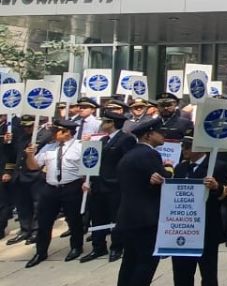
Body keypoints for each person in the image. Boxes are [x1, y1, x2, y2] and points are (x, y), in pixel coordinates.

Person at [114, 117, 171, 286]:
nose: (163, 135)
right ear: (148, 134)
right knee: (145, 263)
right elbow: (165, 180)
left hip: (129, 216)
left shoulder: (131, 155)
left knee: (130, 260)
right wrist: (169, 170)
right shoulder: (149, 155)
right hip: (145, 218)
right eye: (159, 132)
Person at [170, 135, 227, 286]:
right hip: (183, 230)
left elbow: (226, 194)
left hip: (207, 230)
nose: (185, 150)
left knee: (209, 278)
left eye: (189, 146)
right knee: (182, 279)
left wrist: (217, 187)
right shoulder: (180, 168)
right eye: (184, 146)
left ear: (202, 148)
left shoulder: (216, 167)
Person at [24, 118, 86, 267]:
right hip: (51, 188)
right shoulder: (49, 147)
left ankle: (76, 246)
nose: (52, 135)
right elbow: (33, 167)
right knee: (44, 221)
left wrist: (86, 182)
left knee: (74, 220)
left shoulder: (81, 146)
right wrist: (30, 155)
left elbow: (89, 168)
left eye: (55, 132)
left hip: (72, 186)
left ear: (66, 132)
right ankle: (41, 251)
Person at [81, 110, 136, 263]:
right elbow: (94, 163)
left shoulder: (126, 139)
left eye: (106, 121)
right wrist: (88, 181)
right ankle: (98, 246)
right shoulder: (103, 140)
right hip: (98, 186)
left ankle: (117, 247)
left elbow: (127, 163)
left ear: (113, 123)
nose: (102, 124)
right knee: (98, 217)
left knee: (116, 218)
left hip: (115, 186)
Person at [3, 114, 46, 245]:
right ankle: (25, 229)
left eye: (29, 126)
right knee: (23, 205)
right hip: (20, 175)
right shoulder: (21, 136)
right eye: (24, 126)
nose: (26, 129)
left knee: (37, 205)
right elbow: (13, 155)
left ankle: (36, 231)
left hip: (35, 176)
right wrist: (8, 171)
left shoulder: (44, 136)